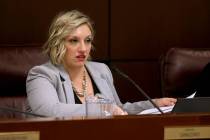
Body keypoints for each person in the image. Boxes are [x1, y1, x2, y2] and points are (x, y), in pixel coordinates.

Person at [26, 10, 177, 117]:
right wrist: (103, 110)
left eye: (88, 41)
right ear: (57, 43)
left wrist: (154, 104)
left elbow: (118, 110)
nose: (83, 49)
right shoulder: (41, 74)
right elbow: (50, 110)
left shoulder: (101, 70)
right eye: (73, 41)